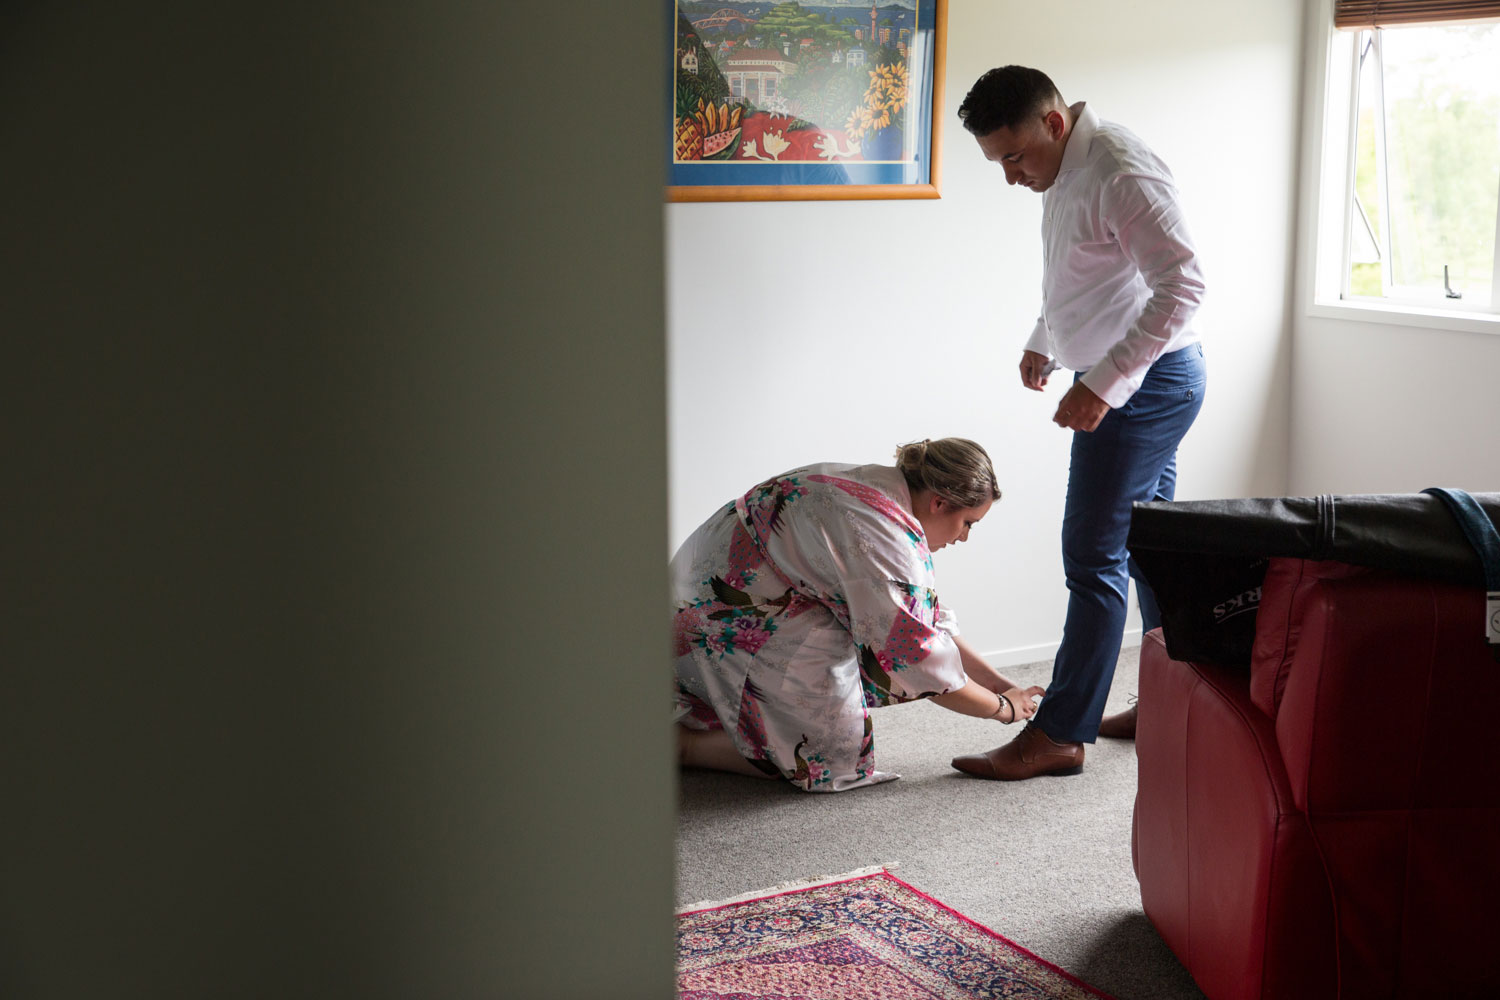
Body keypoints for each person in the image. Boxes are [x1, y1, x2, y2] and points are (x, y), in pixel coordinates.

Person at [949, 66, 1207, 781]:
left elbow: (1182, 286)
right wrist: (1047, 337)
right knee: (1153, 546)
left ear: (1053, 124)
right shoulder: (1061, 168)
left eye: (1012, 157)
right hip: (1129, 376)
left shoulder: (1121, 170)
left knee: (1093, 556)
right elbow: (1083, 271)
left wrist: (1102, 384)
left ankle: (1060, 733)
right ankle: (1169, 701)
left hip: (1147, 386)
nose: (1009, 177)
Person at [672, 438, 1046, 792]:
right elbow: (915, 656)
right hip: (724, 616)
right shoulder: (887, 540)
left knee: (862, 646)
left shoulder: (871, 485)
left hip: (697, 590)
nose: (964, 537)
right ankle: (683, 745)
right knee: (826, 759)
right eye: (969, 523)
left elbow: (925, 619)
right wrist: (1003, 710)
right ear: (939, 503)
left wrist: (999, 683)